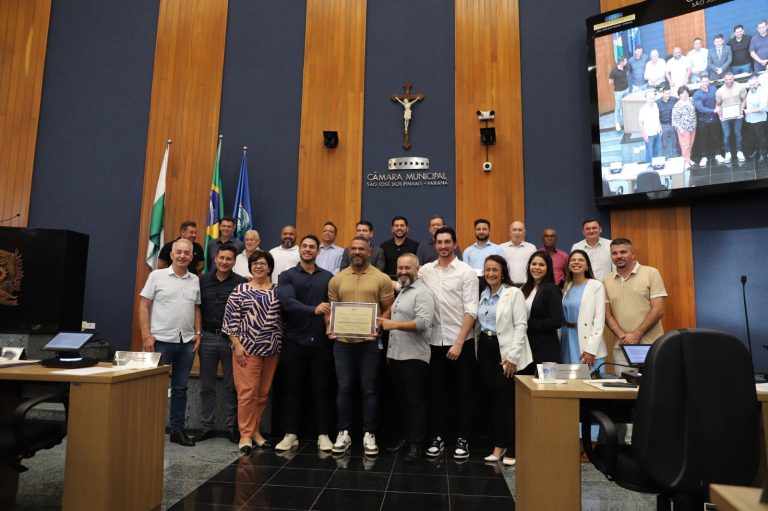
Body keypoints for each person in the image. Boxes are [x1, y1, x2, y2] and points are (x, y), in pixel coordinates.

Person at [327, 237, 394, 456]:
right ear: (349, 252)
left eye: (361, 249)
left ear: (369, 251)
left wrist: (379, 324)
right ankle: (343, 432)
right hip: (342, 344)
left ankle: (369, 433)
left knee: (370, 388)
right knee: (344, 388)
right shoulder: (337, 279)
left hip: (370, 344)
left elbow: (389, 308)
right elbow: (331, 310)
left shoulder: (381, 278)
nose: (357, 252)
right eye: (354, 248)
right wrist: (329, 327)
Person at [418, 227, 478, 460]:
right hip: (433, 342)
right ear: (434, 244)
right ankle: (437, 437)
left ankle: (463, 439)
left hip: (460, 342)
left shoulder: (466, 272)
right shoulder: (425, 271)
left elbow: (471, 309)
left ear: (455, 244)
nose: (443, 246)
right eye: (439, 242)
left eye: (447, 242)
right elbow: (407, 287)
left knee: (465, 393)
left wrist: (459, 342)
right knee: (436, 393)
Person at [275, 235, 335, 453]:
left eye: (312, 247)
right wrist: (313, 310)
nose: (308, 250)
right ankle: (291, 434)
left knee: (322, 389)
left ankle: (323, 434)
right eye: (305, 246)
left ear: (318, 251)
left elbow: (334, 305)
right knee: (293, 388)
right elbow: (288, 303)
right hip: (295, 340)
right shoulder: (286, 276)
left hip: (321, 341)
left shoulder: (329, 277)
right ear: (300, 250)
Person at [139, 238, 201, 447]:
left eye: (186, 253)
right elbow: (143, 305)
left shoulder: (195, 280)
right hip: (160, 341)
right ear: (172, 255)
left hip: (186, 342)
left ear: (191, 257)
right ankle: (151, 431)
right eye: (179, 252)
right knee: (155, 389)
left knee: (180, 389)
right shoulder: (156, 276)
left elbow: (196, 308)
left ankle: (177, 431)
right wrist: (146, 335)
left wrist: (198, 333)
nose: (182, 256)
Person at [222, 250, 283, 453]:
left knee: (262, 394)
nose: (258, 266)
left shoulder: (277, 291)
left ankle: (255, 431)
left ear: (270, 267)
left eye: (262, 263)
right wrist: (237, 345)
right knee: (247, 394)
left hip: (271, 350)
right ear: (250, 267)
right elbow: (230, 320)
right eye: (255, 263)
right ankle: (246, 435)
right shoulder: (240, 290)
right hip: (246, 350)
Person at [378, 253, 436, 463]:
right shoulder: (403, 290)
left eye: (407, 268)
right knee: (402, 402)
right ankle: (406, 438)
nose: (403, 271)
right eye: (400, 268)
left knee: (415, 402)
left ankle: (416, 445)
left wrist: (392, 324)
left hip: (414, 357)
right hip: (397, 356)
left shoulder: (423, 293)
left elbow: (422, 323)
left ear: (417, 269)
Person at [476, 255, 531, 467]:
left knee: (507, 400)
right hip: (486, 349)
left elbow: (521, 325)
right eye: (487, 269)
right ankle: (498, 445)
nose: (490, 273)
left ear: (502, 272)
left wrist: (513, 356)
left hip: (506, 352)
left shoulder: (513, 293)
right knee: (493, 399)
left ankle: (513, 445)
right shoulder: (483, 294)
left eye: (495, 270)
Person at [197, 243, 246, 443]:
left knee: (231, 386)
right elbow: (196, 307)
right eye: (221, 258)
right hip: (207, 337)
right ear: (215, 259)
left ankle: (231, 428)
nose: (224, 262)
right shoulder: (202, 280)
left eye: (229, 259)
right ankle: (207, 426)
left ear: (234, 262)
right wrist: (198, 333)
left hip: (231, 340)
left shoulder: (241, 283)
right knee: (206, 386)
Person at [603, 238, 668, 370]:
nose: (618, 256)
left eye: (623, 252)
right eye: (614, 253)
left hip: (651, 345)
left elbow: (658, 310)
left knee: (652, 383)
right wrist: (623, 336)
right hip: (622, 347)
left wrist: (637, 335)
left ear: (633, 254)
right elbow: (606, 314)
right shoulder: (606, 279)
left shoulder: (651, 273)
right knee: (624, 384)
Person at [560, 250, 606, 371]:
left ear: (587, 266)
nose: (576, 262)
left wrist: (591, 349)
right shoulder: (567, 286)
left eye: (581, 260)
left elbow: (599, 320)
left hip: (586, 341)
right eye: (573, 260)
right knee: (568, 378)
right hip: (567, 339)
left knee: (588, 378)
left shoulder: (596, 285)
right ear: (568, 266)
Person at [520, 251, 564, 366]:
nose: (537, 268)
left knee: (545, 378)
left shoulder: (551, 289)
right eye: (534, 264)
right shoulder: (524, 288)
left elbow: (557, 321)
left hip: (545, 349)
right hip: (526, 347)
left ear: (548, 268)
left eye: (541, 265)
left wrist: (529, 323)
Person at [716, 71, 747, 164]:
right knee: (727, 135)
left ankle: (739, 152)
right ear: (724, 80)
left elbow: (744, 99)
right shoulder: (720, 91)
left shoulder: (740, 87)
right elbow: (717, 104)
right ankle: (727, 153)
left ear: (733, 78)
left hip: (738, 115)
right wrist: (720, 116)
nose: (729, 81)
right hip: (725, 117)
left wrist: (741, 110)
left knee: (738, 134)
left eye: (730, 79)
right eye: (727, 79)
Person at [693, 75, 722, 167]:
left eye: (706, 81)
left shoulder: (713, 89)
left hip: (714, 118)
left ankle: (718, 154)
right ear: (700, 82)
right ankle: (704, 157)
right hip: (703, 120)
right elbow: (700, 109)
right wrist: (713, 110)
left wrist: (717, 109)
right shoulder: (697, 94)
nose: (705, 83)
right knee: (703, 139)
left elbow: (718, 100)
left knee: (716, 137)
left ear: (709, 81)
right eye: (703, 81)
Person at [500, 221, 537, 286]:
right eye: (514, 230)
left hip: (526, 286)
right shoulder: (501, 248)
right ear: (509, 232)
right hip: (506, 286)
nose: (517, 233)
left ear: (524, 233)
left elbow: (535, 267)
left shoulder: (531, 248)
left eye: (520, 230)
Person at [743, 75, 768, 163]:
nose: (752, 86)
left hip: (759, 120)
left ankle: (763, 154)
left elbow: (763, 108)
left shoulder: (762, 92)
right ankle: (756, 151)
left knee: (761, 138)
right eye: (750, 85)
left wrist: (750, 111)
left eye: (754, 84)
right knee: (753, 137)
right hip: (750, 119)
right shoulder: (750, 90)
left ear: (758, 83)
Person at [671, 85, 698, 169]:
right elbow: (674, 120)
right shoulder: (677, 106)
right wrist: (680, 129)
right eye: (682, 93)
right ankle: (685, 161)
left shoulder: (691, 101)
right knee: (685, 146)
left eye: (686, 93)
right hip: (683, 129)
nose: (685, 95)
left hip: (692, 127)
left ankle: (689, 159)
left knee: (690, 144)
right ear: (679, 95)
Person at [639, 89, 662, 162]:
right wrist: (644, 135)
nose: (652, 100)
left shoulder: (656, 105)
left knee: (656, 150)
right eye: (651, 98)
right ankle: (649, 165)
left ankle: (655, 164)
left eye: (653, 98)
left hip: (657, 132)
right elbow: (641, 123)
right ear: (647, 99)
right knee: (649, 152)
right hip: (649, 134)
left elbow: (657, 117)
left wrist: (660, 127)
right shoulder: (643, 109)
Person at [609, 56, 630, 131]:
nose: (626, 62)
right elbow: (610, 82)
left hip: (626, 90)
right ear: (621, 62)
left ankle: (626, 121)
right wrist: (618, 84)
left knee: (626, 106)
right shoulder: (613, 71)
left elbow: (627, 74)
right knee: (618, 107)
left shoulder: (625, 67)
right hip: (618, 92)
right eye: (625, 61)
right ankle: (617, 123)